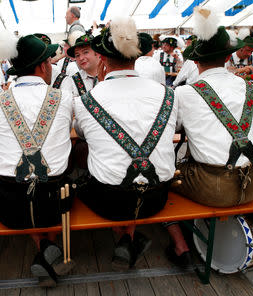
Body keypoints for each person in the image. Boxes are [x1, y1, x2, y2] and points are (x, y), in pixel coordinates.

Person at [74, 17, 181, 271]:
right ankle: (128, 238)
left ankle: (125, 237)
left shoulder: (86, 101)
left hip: (109, 201)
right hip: (157, 196)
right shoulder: (168, 94)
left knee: (88, 164)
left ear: (102, 59)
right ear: (137, 55)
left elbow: (81, 133)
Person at [0, 34, 74, 287]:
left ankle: (44, 247)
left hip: (10, 207)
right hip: (57, 204)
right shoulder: (64, 98)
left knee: (22, 190)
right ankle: (49, 246)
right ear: (44, 66)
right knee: (58, 178)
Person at [174, 7, 253, 208]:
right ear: (227, 57)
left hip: (212, 187)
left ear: (195, 60)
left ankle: (181, 236)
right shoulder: (249, 87)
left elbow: (172, 129)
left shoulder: (185, 93)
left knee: (165, 178)